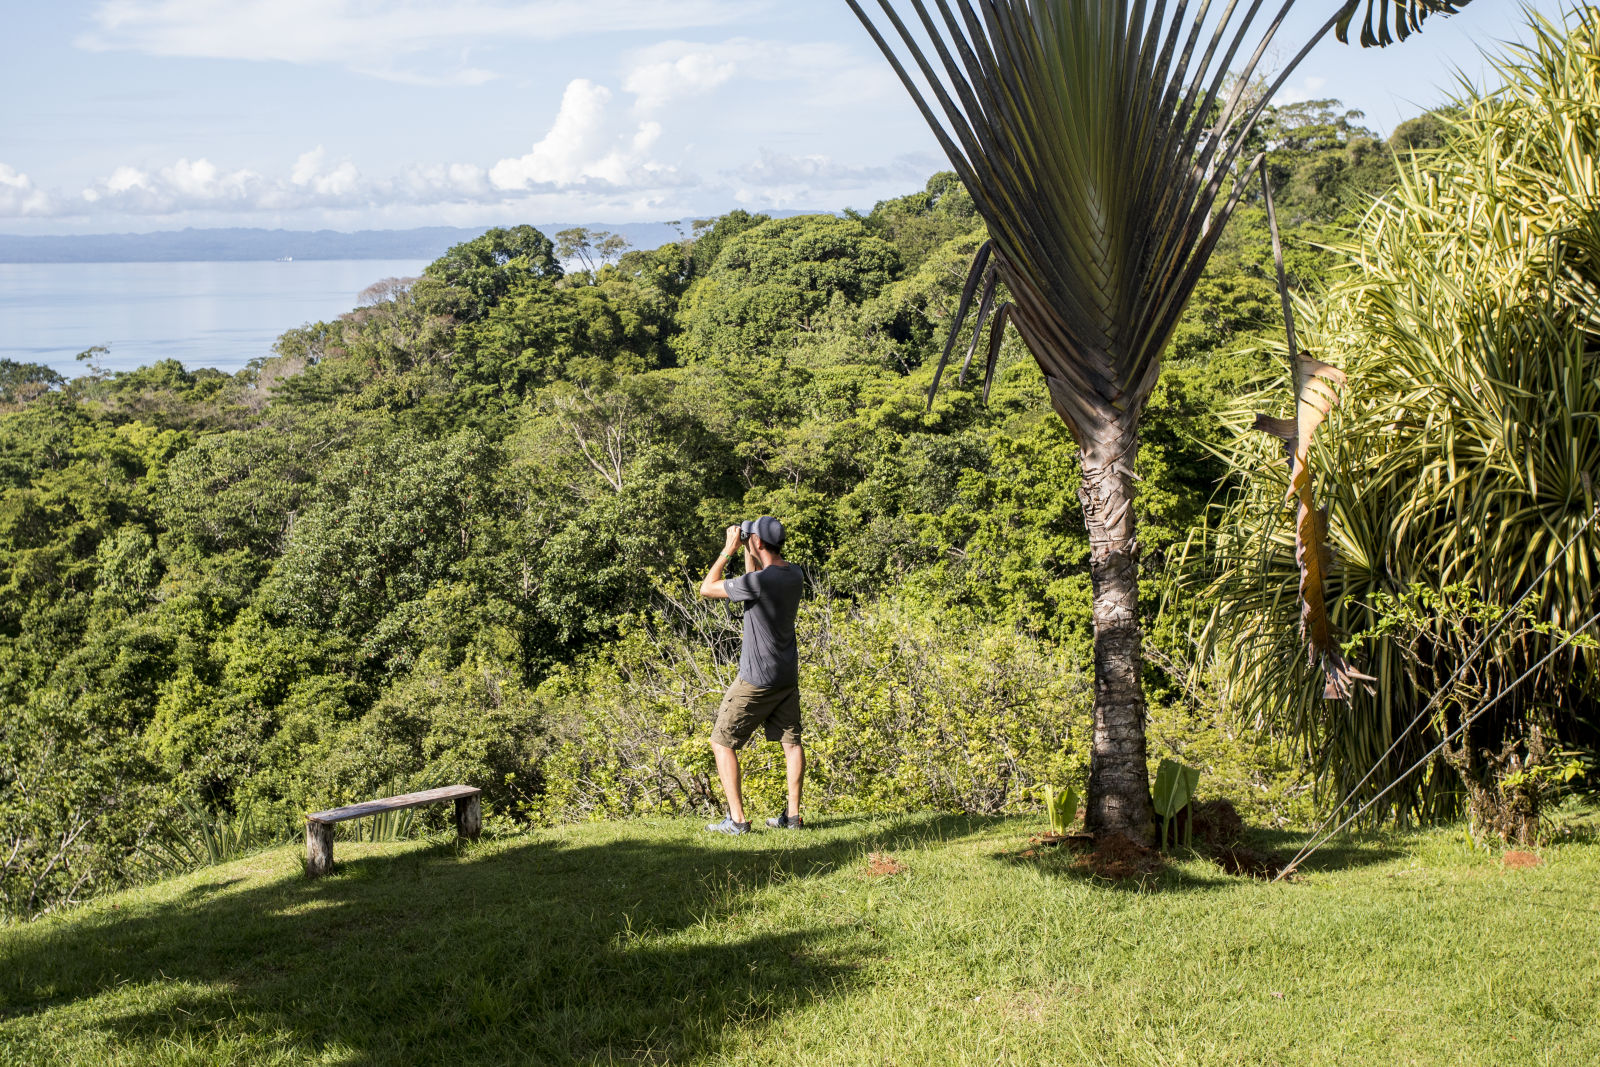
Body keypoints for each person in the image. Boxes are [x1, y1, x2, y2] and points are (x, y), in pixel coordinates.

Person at [698, 515, 805, 834]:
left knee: (721, 742)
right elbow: (754, 577)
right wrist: (750, 547)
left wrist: (729, 549)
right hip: (786, 675)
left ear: (757, 542)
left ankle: (737, 820)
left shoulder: (759, 583)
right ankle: (794, 817)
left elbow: (707, 588)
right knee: (792, 741)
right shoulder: (794, 574)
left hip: (756, 678)